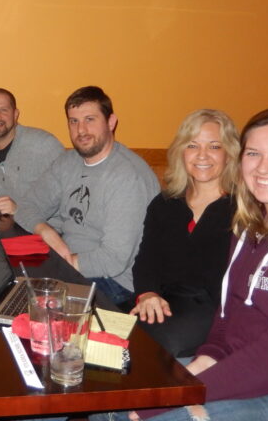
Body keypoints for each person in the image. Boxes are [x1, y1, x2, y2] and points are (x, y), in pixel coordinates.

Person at [93, 108, 268, 421]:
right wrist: (200, 365)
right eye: (255, 154)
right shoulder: (250, 227)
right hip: (238, 364)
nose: (264, 167)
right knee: (104, 406)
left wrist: (174, 395)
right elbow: (225, 321)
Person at [12, 86, 159, 309]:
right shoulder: (68, 162)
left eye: (90, 119)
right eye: (73, 121)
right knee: (8, 281)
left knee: (33, 304)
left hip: (115, 282)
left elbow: (113, 259)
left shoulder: (128, 176)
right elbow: (27, 206)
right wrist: (46, 231)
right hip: (74, 264)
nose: (81, 130)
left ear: (111, 122)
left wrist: (64, 264)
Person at [130, 109, 238, 358]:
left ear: (229, 154)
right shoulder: (165, 203)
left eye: (214, 146)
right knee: (101, 323)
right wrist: (147, 294)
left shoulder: (244, 210)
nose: (202, 155)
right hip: (164, 302)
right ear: (181, 152)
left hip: (213, 312)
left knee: (145, 347)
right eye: (192, 145)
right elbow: (146, 261)